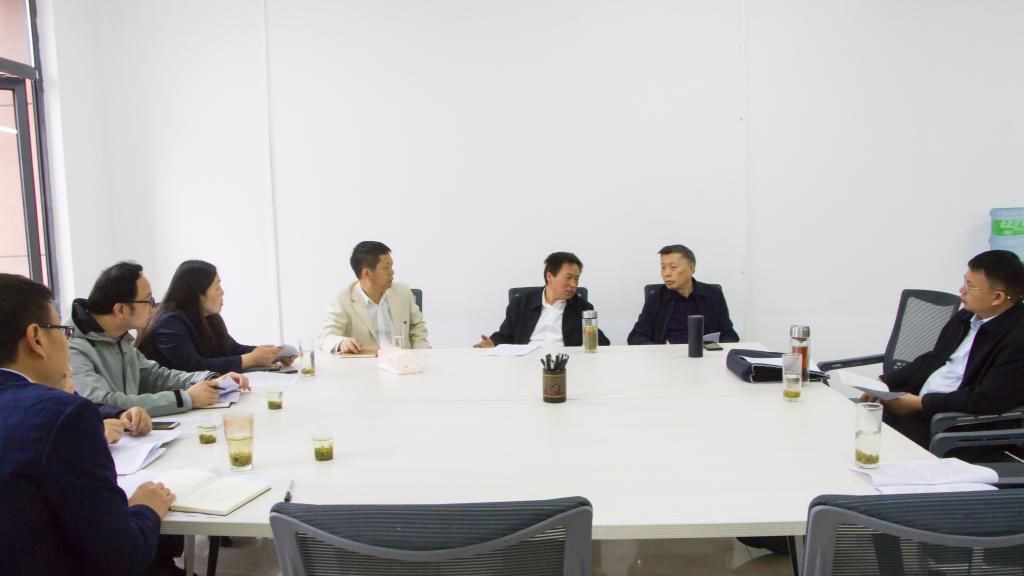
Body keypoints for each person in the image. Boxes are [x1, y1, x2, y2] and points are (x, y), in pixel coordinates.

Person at [0, 273, 176, 575]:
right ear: (36, 339)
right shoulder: (63, 416)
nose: (68, 342)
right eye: (62, 330)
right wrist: (145, 507)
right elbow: (122, 557)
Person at [862, 250, 1024, 458]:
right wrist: (885, 382)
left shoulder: (1017, 338)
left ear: (997, 297)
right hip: (923, 411)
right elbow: (933, 358)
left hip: (957, 428)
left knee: (870, 440)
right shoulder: (966, 317)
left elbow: (987, 399)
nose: (962, 290)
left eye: (971, 286)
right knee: (856, 423)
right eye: (964, 282)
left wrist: (921, 404)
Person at [69, 262, 249, 417]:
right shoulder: (73, 348)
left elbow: (154, 376)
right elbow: (103, 403)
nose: (153, 307)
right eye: (148, 300)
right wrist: (186, 398)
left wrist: (211, 379)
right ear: (121, 309)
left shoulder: (119, 338)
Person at [136, 260, 292, 373]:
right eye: (217, 287)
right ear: (198, 293)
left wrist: (271, 354)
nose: (222, 292)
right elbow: (192, 367)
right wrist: (251, 359)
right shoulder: (169, 322)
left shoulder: (210, 316)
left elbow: (231, 349)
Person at [475, 252, 610, 348]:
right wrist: (492, 343)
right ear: (549, 277)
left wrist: (592, 334)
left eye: (577, 278)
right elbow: (505, 335)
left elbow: (601, 342)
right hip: (525, 362)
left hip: (566, 363)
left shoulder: (582, 307)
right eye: (568, 277)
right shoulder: (520, 304)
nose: (574, 284)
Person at [319, 241, 430, 353]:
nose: (392, 272)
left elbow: (418, 328)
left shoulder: (403, 292)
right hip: (365, 362)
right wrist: (342, 342)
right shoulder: (343, 300)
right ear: (367, 273)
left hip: (400, 361)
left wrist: (422, 355)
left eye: (391, 266)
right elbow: (325, 338)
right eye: (386, 268)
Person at [627, 244, 739, 345]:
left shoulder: (713, 295)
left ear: (691, 268)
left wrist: (716, 351)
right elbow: (636, 336)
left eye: (673, 267)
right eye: (663, 267)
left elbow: (729, 334)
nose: (666, 273)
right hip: (668, 357)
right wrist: (659, 352)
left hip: (705, 356)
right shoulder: (656, 299)